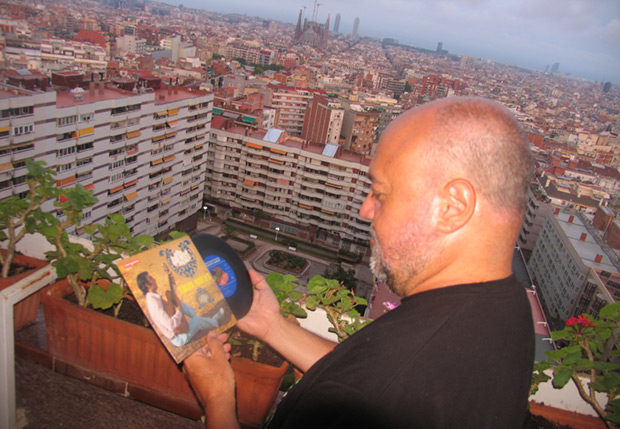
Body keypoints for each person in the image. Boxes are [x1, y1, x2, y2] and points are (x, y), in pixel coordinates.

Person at [184, 96, 535, 428]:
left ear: (452, 207)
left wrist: (217, 395)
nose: (366, 209)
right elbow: (365, 371)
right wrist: (271, 325)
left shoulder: (372, 396)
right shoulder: (504, 305)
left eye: (380, 194)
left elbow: (370, 384)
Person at [136, 270, 224, 348]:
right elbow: (170, 325)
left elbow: (173, 298)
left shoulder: (154, 296)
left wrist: (172, 279)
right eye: (151, 278)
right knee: (197, 321)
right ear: (147, 285)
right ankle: (215, 322)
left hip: (179, 330)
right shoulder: (153, 303)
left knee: (178, 302)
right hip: (178, 337)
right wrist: (179, 311)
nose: (154, 279)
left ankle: (197, 319)